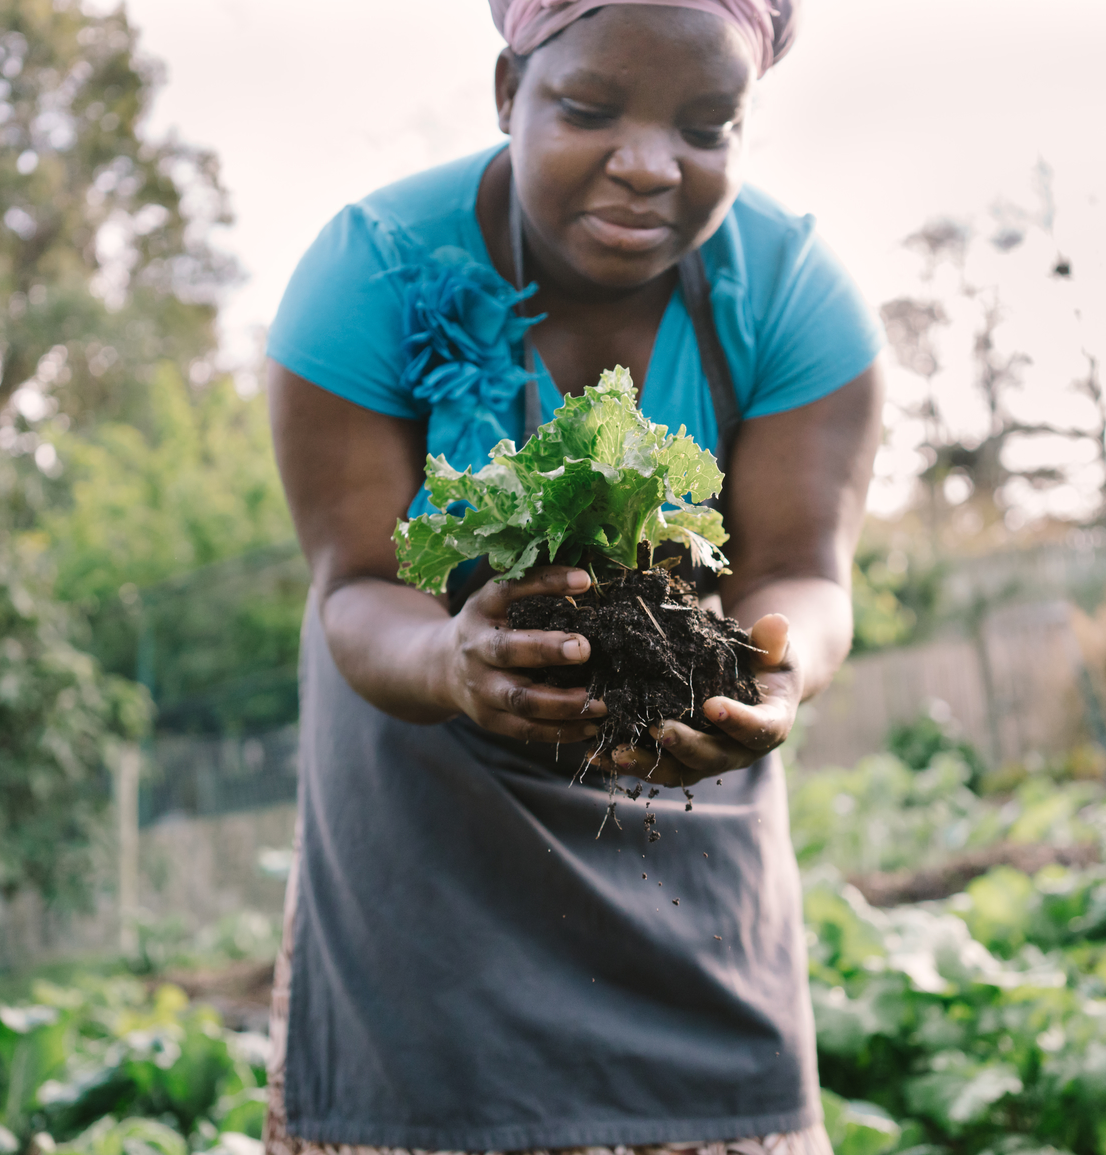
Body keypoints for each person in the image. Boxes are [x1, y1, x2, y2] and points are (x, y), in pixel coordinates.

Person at [263, 1, 884, 1150]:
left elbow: (803, 573)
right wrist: (453, 659)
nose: (650, 166)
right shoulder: (373, 270)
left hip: (683, 828)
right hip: (425, 850)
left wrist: (778, 672)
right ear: (510, 92)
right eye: (591, 110)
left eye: (708, 126)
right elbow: (355, 586)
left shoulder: (795, 293)